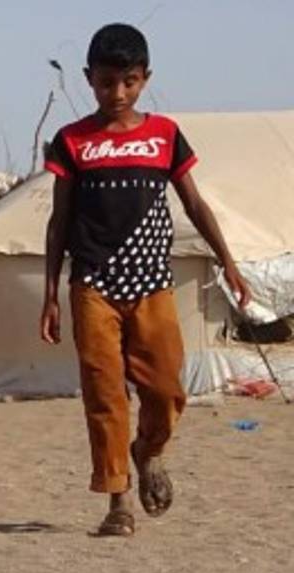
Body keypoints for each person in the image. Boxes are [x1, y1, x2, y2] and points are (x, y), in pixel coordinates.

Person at [40, 24, 251, 537]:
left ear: (145, 79)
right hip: (93, 285)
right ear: (89, 79)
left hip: (153, 283)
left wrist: (227, 260)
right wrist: (50, 295)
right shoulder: (72, 141)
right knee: (105, 393)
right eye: (106, 82)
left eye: (129, 82)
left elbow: (194, 203)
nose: (118, 94)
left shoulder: (165, 136)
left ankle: (148, 450)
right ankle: (118, 501)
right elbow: (59, 220)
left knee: (165, 389)